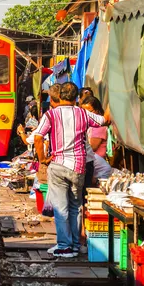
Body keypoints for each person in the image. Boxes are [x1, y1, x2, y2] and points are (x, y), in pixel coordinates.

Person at [33, 82, 110, 258]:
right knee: (76, 206)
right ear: (77, 97)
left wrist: (43, 158)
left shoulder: (50, 115)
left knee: (61, 208)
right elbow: (105, 119)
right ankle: (75, 245)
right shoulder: (84, 113)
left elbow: (38, 138)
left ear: (59, 95)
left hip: (59, 165)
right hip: (78, 166)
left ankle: (64, 246)